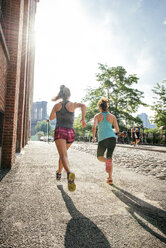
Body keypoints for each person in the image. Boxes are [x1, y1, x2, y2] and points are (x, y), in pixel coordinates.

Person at [49, 85, 86, 191]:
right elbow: (83, 106)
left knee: (63, 155)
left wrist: (56, 114)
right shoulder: (72, 104)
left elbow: (51, 117)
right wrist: (83, 119)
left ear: (61, 95)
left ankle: (69, 173)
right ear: (69, 95)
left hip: (60, 131)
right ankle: (59, 173)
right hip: (70, 132)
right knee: (63, 155)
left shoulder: (57, 106)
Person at [92, 97, 119, 185]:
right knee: (109, 157)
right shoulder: (113, 116)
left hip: (102, 139)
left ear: (100, 107)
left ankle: (107, 161)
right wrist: (111, 131)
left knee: (99, 157)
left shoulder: (97, 116)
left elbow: (94, 127)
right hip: (112, 138)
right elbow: (117, 130)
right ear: (107, 107)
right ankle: (110, 178)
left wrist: (93, 137)